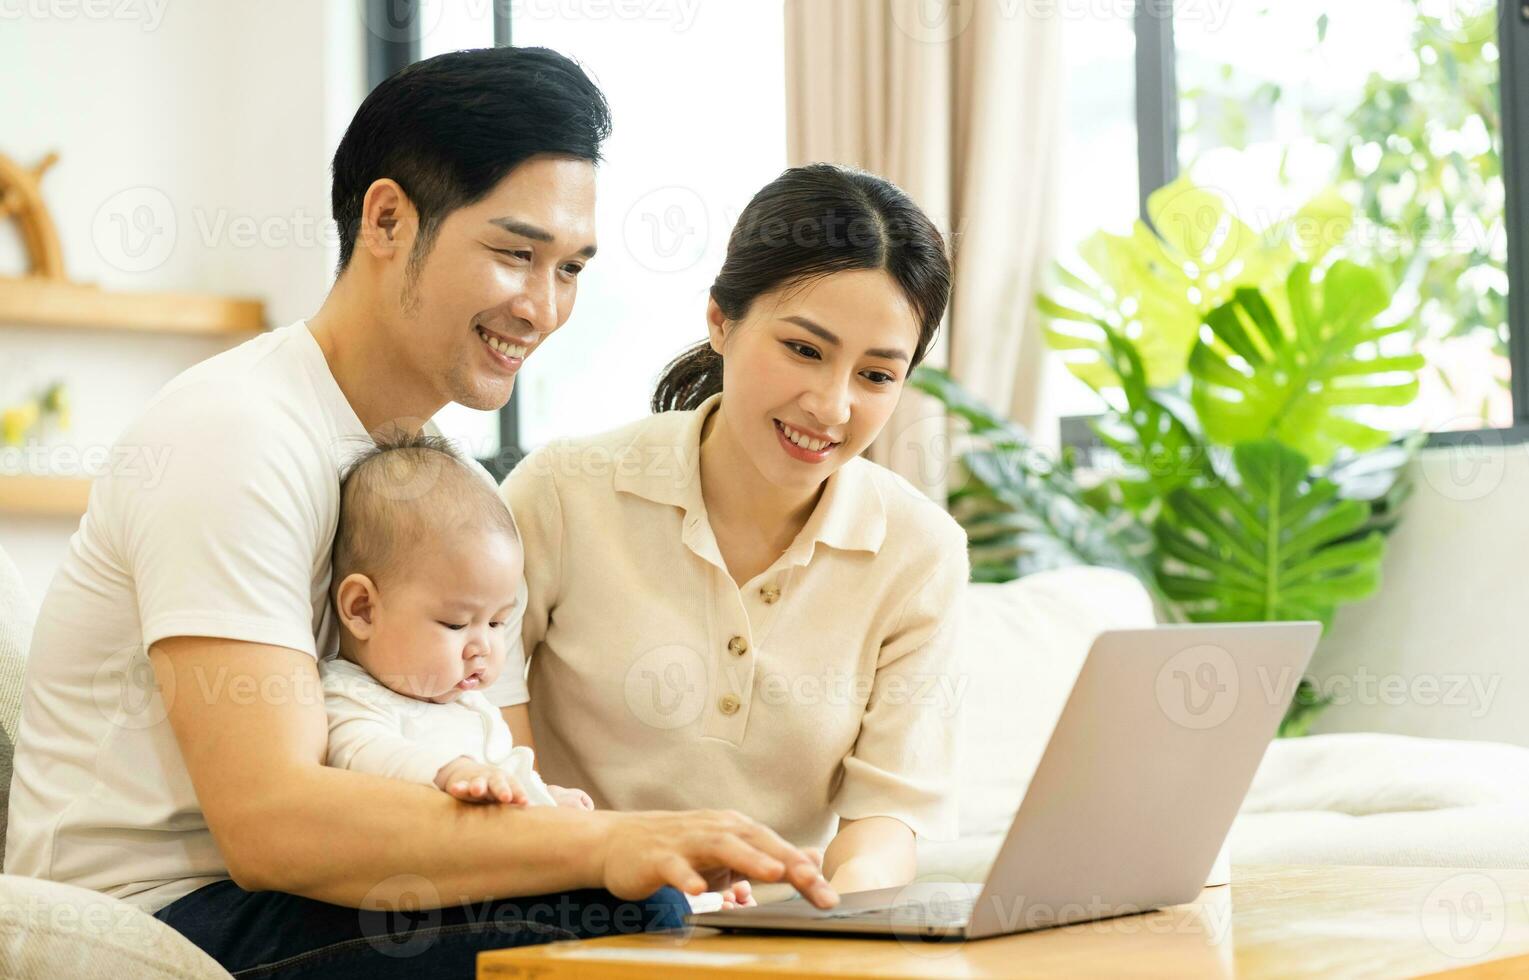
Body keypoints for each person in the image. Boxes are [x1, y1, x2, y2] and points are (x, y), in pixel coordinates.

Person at [4, 46, 834, 979]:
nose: (543, 307)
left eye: (570, 269)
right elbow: (268, 824)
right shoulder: (236, 434)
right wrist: (613, 844)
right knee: (615, 912)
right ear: (388, 219)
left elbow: (498, 781)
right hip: (163, 916)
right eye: (516, 254)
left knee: (644, 909)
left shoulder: (449, 499)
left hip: (304, 899)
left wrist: (630, 844)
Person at [502, 163, 970, 903]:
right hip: (569, 913)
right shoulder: (564, 493)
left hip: (779, 940)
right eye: (804, 350)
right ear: (721, 320)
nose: (831, 406)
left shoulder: (920, 551)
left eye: (877, 376)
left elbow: (886, 817)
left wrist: (837, 917)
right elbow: (490, 735)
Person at [318, 434, 589, 811]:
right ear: (363, 609)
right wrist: (450, 772)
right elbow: (364, 752)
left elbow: (503, 770)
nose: (482, 647)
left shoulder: (470, 705)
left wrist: (545, 796)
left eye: (496, 623)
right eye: (456, 624)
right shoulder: (349, 696)